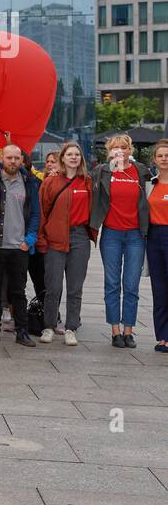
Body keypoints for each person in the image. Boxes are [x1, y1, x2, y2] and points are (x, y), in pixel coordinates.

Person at [91, 133, 150, 348]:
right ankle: (115, 331)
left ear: (130, 150)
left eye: (124, 147)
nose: (120, 151)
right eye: (116, 148)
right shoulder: (102, 171)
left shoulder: (140, 171)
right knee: (112, 283)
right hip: (112, 235)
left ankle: (129, 330)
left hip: (135, 235)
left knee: (131, 285)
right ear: (109, 151)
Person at [38, 141, 93, 346]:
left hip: (79, 236)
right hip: (55, 236)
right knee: (53, 286)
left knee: (75, 288)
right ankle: (49, 326)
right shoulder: (51, 182)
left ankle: (71, 328)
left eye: (77, 154)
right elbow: (42, 212)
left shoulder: (87, 181)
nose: (73, 157)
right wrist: (42, 239)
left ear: (81, 158)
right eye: (69, 154)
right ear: (62, 158)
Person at [0, 145, 40, 347]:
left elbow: (36, 214)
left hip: (19, 246)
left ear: (22, 160)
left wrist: (29, 240)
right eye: (9, 157)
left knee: (18, 291)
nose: (12, 161)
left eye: (16, 158)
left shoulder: (30, 182)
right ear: (2, 157)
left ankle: (22, 330)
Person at [144, 139, 168, 353]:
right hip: (154, 236)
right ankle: (162, 336)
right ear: (154, 159)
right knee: (159, 289)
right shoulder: (151, 183)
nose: (164, 159)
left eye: (167, 155)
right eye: (160, 156)